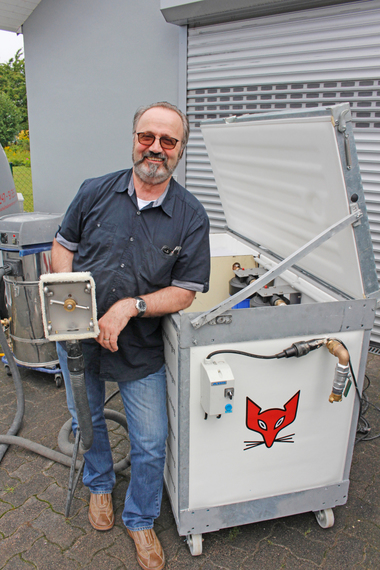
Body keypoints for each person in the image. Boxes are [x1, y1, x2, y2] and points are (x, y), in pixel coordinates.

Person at [51, 101, 210, 570]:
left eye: (168, 141)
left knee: (149, 441)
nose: (155, 148)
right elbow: (63, 246)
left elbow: (185, 291)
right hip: (77, 339)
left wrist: (129, 307)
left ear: (180, 149)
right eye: (148, 136)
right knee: (87, 420)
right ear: (134, 137)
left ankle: (140, 518)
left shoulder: (190, 215)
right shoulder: (94, 191)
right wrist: (70, 302)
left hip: (140, 349)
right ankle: (99, 487)